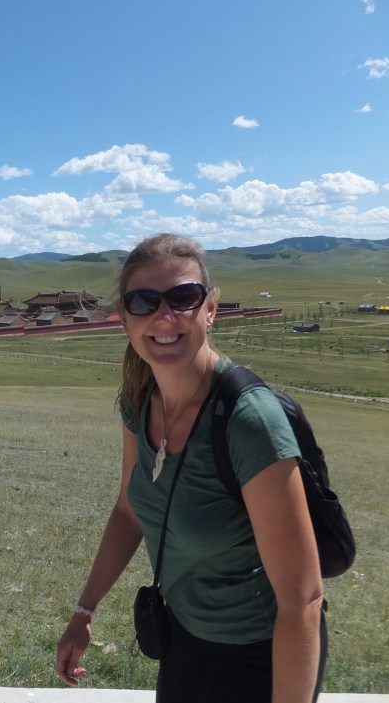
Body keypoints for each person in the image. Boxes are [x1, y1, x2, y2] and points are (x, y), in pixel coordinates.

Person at [55, 233, 326, 703]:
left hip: (260, 653)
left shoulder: (248, 420)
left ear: (211, 308)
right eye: (144, 301)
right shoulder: (140, 398)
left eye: (183, 297)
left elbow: (302, 600)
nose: (165, 316)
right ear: (124, 317)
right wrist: (84, 612)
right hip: (183, 639)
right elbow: (129, 511)